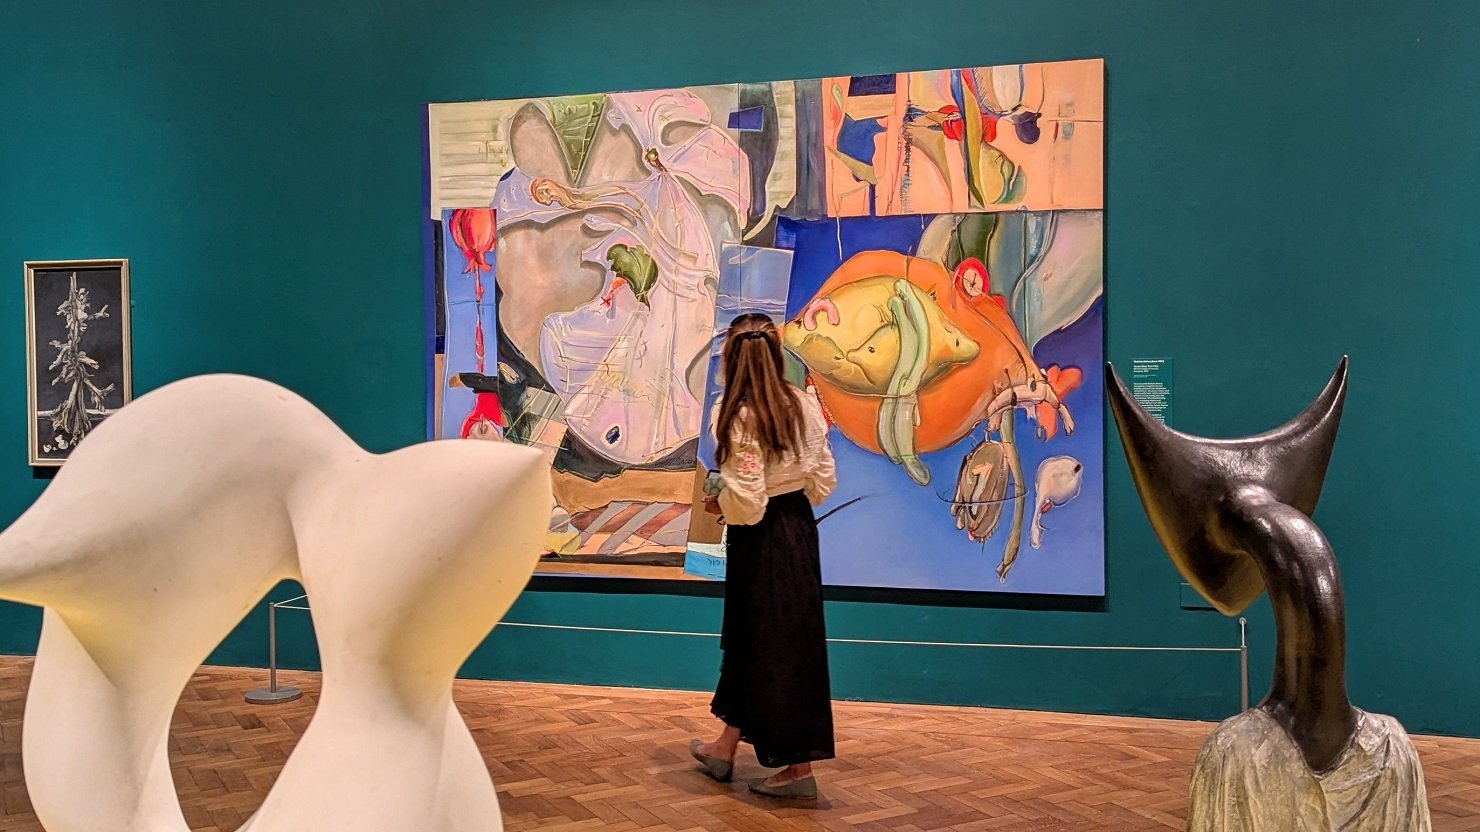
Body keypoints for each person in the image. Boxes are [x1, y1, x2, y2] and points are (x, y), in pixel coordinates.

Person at [689, 313, 837, 800]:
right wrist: (784, 483)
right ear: (774, 354)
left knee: (774, 646)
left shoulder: (739, 416)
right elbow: (822, 480)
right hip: (797, 529)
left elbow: (748, 504)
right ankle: (724, 749)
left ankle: (797, 769)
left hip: (762, 539)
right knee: (761, 641)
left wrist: (719, 501)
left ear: (732, 358)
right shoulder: (804, 405)